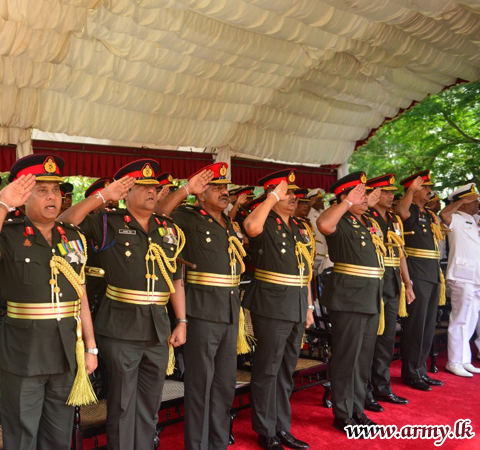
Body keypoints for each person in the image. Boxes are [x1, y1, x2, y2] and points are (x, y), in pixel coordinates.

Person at [0, 154, 98, 449]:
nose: (52, 197)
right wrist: (2, 205)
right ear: (24, 196)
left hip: (66, 350)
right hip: (23, 353)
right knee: (21, 436)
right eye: (42, 190)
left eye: (55, 190)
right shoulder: (8, 232)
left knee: (59, 435)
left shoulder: (73, 236)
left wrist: (91, 347)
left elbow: (80, 293)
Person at [58, 159, 187, 450]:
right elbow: (64, 223)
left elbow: (176, 277)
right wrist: (103, 196)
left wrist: (182, 320)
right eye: (142, 186)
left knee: (150, 405)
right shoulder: (108, 222)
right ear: (126, 192)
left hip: (158, 330)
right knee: (122, 406)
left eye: (153, 187)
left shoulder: (167, 228)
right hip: (120, 329)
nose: (151, 191)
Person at [155, 163, 249, 450]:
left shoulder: (229, 222)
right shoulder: (187, 216)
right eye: (217, 187)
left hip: (229, 311)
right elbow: (159, 216)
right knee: (200, 387)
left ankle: (218, 443)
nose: (224, 192)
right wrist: (186, 189)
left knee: (224, 385)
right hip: (202, 312)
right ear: (200, 193)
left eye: (225, 187)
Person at [243, 170, 313, 450]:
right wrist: (271, 198)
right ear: (272, 194)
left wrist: (309, 306)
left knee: (286, 371)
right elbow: (250, 227)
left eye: (294, 193)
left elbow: (306, 270)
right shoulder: (264, 219)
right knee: (268, 369)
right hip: (272, 305)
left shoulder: (299, 226)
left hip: (297, 303)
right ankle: (265, 430)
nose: (294, 197)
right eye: (288, 192)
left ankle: (282, 427)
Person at [317, 172, 385, 432]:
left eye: (365, 195)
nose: (365, 199)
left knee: (363, 358)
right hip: (349, 299)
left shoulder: (365, 221)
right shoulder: (341, 219)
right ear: (345, 197)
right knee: (347, 358)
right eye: (360, 194)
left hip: (369, 297)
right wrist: (347, 202)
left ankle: (357, 409)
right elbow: (323, 224)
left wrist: (367, 202)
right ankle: (343, 413)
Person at [362, 174, 414, 412]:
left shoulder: (394, 219)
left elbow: (401, 253)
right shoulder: (365, 216)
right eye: (386, 192)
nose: (391, 196)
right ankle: (364, 391)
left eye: (392, 192)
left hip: (392, 284)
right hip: (372, 284)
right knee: (368, 341)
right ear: (373, 193)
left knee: (386, 340)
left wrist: (408, 283)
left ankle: (382, 387)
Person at [395, 171, 444, 391]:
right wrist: (411, 190)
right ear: (414, 191)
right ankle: (411, 372)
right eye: (424, 187)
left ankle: (421, 369)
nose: (429, 190)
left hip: (432, 273)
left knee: (428, 326)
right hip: (417, 273)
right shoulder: (410, 210)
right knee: (416, 326)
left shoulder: (430, 214)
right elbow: (401, 211)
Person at [439, 183, 480, 377]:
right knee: (459, 319)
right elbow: (444, 214)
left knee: (471, 320)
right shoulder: (454, 217)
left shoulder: (475, 220)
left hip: (476, 277)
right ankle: (454, 361)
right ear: (463, 202)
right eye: (474, 200)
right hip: (462, 276)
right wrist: (462, 201)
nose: (478, 204)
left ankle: (464, 359)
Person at [82, 177, 116, 316]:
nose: (112, 202)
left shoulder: (123, 224)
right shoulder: (85, 223)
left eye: (114, 199)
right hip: (92, 286)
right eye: (106, 199)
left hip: (115, 287)